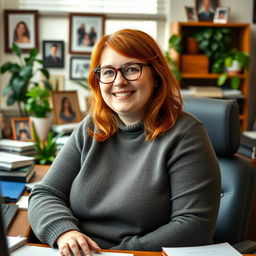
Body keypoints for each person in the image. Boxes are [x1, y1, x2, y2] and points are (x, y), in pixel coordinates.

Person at [28, 29, 221, 256]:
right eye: (108, 72)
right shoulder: (92, 125)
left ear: (156, 76)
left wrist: (116, 254)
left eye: (131, 69)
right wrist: (65, 233)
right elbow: (45, 193)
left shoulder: (185, 134)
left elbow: (193, 225)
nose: (119, 81)